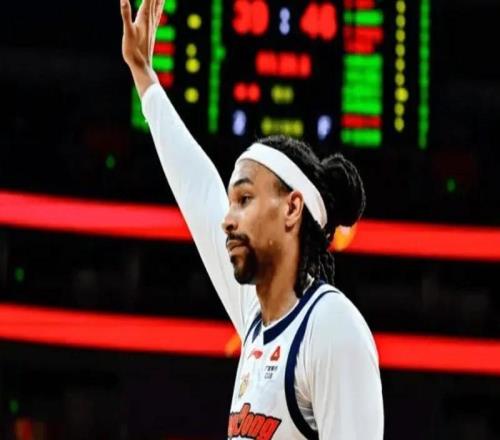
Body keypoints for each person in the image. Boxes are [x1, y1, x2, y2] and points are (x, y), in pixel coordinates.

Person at [120, 0, 384, 438]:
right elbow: (197, 188)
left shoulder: (331, 327)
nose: (227, 219)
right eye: (231, 203)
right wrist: (144, 77)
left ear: (292, 208)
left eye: (244, 199)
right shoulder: (257, 319)